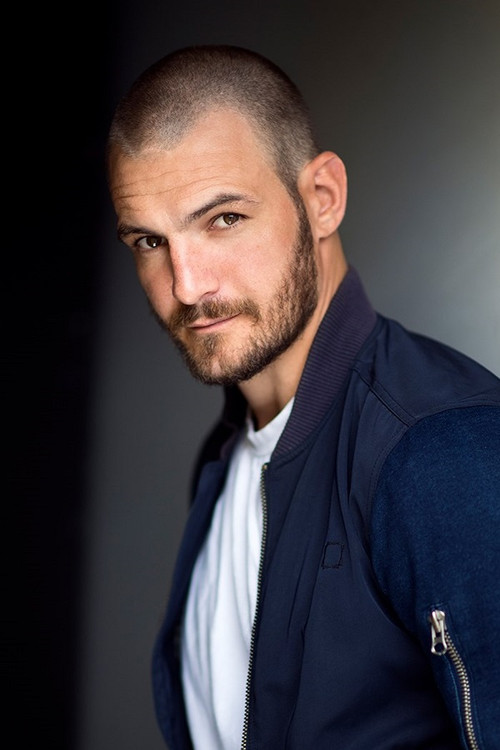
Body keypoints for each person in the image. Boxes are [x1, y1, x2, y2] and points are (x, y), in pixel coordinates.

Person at [106, 45, 500, 750]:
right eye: (148, 241)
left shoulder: (443, 452)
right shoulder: (227, 458)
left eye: (223, 219)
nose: (187, 285)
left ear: (321, 199)